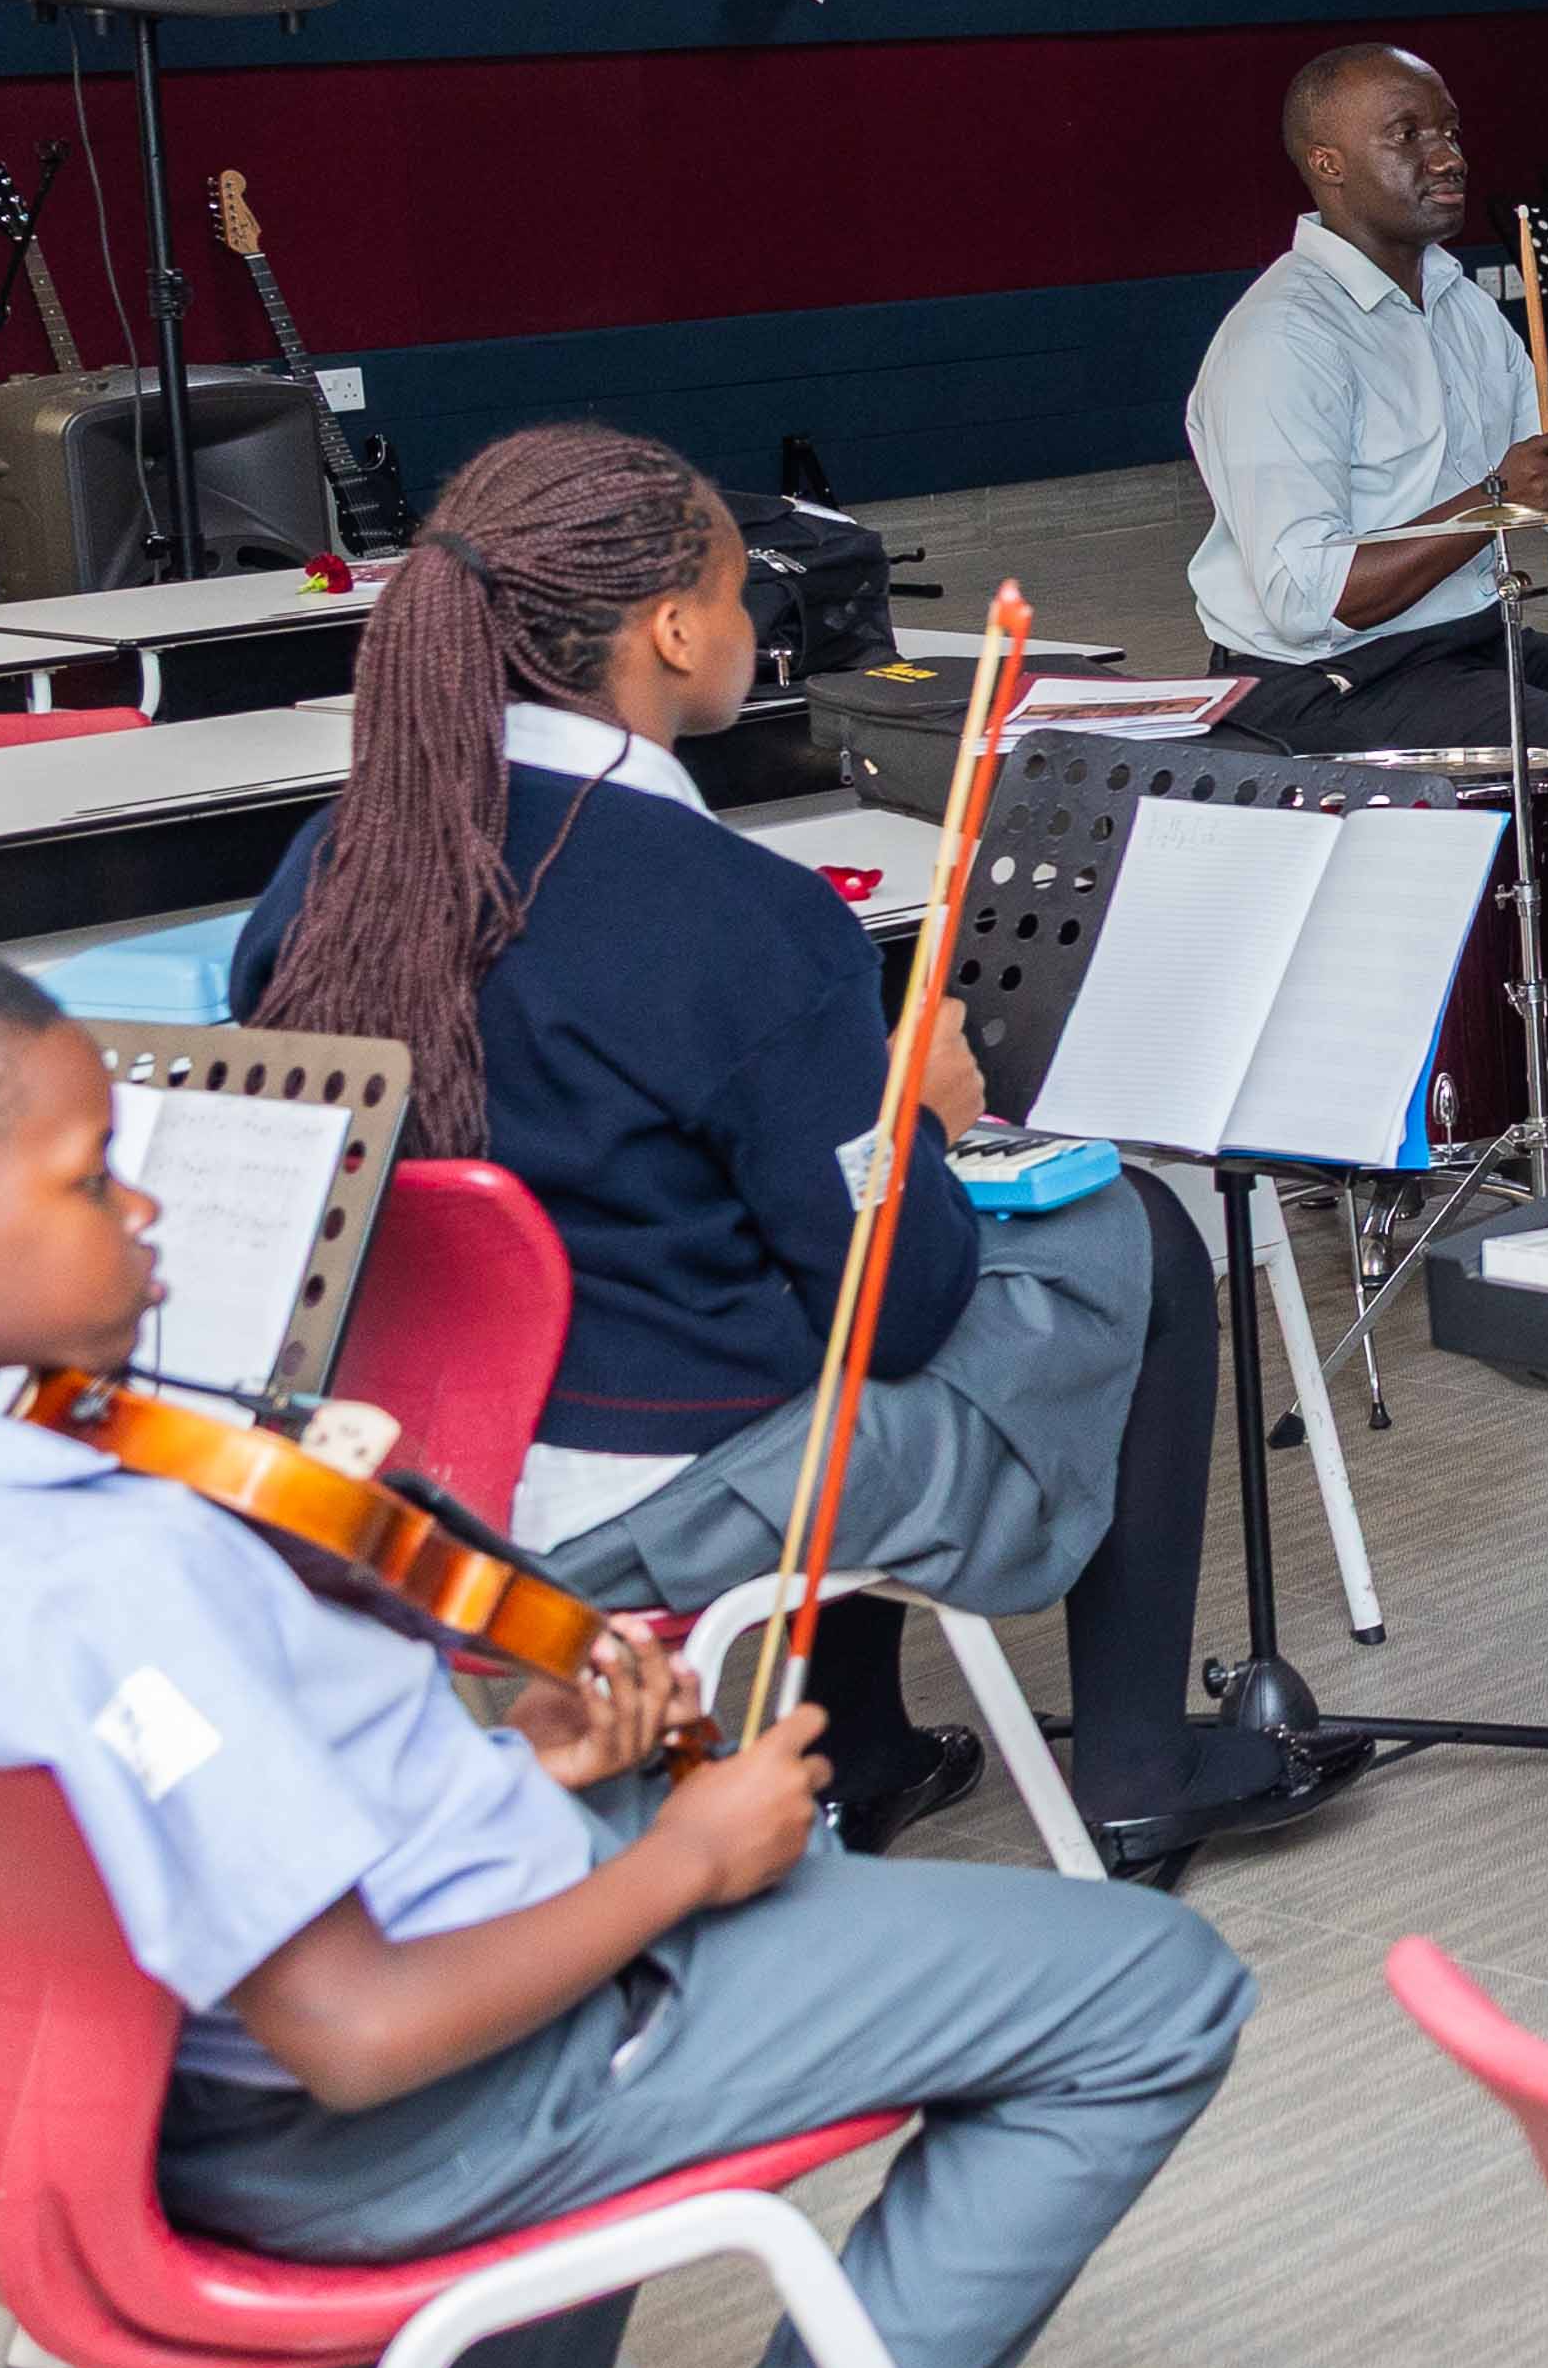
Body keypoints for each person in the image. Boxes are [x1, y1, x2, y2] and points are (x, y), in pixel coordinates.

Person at [0, 947, 1251, 2368]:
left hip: (81, 2093)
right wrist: (680, 1870)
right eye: (91, 1172)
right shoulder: (101, 1579)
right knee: (1148, 1994)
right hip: (383, 2118)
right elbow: (351, 2027)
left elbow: (178, 1819)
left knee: (664, 1804)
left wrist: (530, 1766)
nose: (145, 1206)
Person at [236, 425, 1282, 1871]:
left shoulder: (341, 859)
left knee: (778, 1261)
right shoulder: (740, 915)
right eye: (741, 597)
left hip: (404, 1475)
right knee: (1135, 1235)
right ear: (673, 630)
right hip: (641, 1502)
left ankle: (860, 1749)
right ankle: (1140, 1766)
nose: (753, 626)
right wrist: (913, 1112)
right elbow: (899, 1309)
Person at [1182, 39, 1548, 1119]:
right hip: (1326, 680)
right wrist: (1494, 500)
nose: (1444, 153)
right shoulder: (1280, 340)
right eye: (1407, 134)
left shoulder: (1452, 299)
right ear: (1327, 164)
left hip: (1453, 643)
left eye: (1447, 127)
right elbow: (1315, 593)